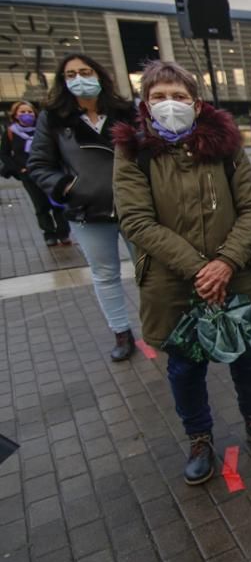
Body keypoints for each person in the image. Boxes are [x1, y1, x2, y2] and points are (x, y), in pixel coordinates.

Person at [112, 61, 251, 484]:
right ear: (145, 103)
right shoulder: (133, 150)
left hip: (236, 275)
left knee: (247, 356)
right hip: (171, 283)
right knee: (185, 367)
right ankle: (199, 437)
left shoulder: (224, 145)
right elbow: (136, 220)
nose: (169, 104)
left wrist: (226, 262)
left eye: (178, 96)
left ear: (196, 101)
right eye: (158, 97)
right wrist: (200, 269)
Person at [26, 53, 138, 361]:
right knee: (105, 274)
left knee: (149, 271)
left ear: (99, 75)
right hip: (88, 212)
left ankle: (161, 326)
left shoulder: (125, 111)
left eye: (85, 71)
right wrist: (67, 187)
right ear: (63, 82)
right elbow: (38, 164)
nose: (79, 78)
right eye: (71, 74)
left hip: (134, 208)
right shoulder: (54, 117)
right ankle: (121, 331)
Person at [1, 101, 71, 246]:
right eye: (22, 112)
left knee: (58, 203)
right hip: (29, 175)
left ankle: (63, 233)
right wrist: (19, 169)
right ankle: (49, 234)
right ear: (15, 115)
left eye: (29, 112)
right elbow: (5, 155)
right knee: (41, 206)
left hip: (51, 172)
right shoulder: (10, 132)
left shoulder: (43, 129)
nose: (26, 115)